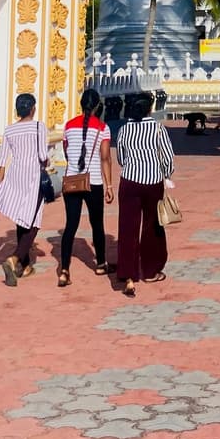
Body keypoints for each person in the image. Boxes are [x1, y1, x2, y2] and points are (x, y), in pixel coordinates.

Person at [115, 90, 175, 297]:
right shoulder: (158, 129)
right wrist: (166, 174)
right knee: (152, 227)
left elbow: (121, 157)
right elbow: (168, 157)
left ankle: (129, 277)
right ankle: (150, 271)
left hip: (129, 181)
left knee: (127, 228)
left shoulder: (124, 130)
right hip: (152, 182)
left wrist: (133, 166)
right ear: (150, 108)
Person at [0, 93, 49, 287]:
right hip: (33, 176)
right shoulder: (39, 127)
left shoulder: (10, 130)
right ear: (32, 108)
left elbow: (2, 158)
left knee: (20, 218)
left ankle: (24, 265)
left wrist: (0, 183)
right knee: (34, 220)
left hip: (15, 175)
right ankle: (14, 259)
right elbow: (42, 155)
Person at [58, 86, 114, 285]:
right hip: (94, 181)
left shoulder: (68, 125)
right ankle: (100, 264)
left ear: (81, 104)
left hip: (72, 180)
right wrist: (109, 186)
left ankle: (64, 269)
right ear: (98, 105)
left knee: (70, 226)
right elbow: (105, 158)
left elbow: (66, 151)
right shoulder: (102, 127)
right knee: (96, 224)